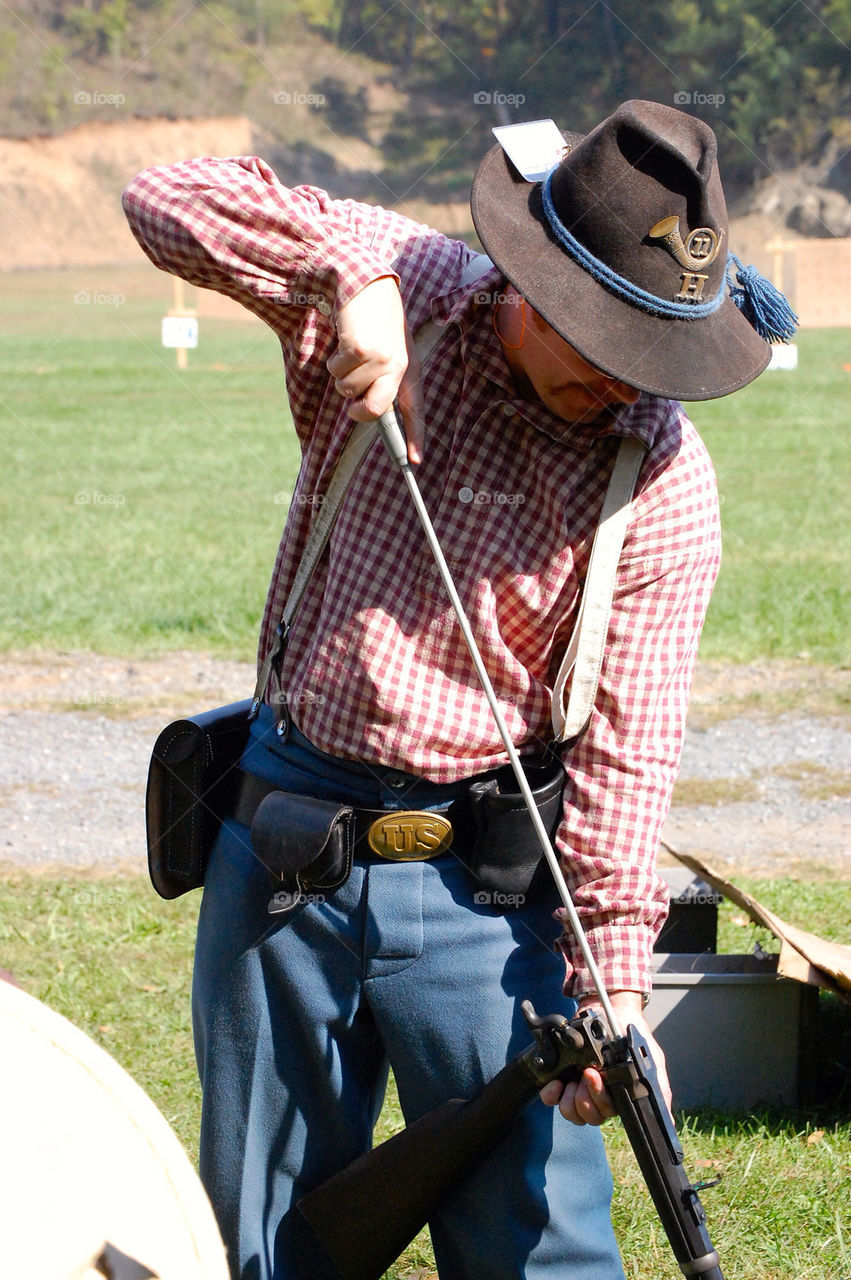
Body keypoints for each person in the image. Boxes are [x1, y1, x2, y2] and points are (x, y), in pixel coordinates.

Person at [122, 99, 792, 1280]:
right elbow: (164, 198)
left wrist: (616, 989)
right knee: (261, 1250)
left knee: (541, 1253)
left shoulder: (665, 479)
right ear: (529, 284)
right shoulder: (415, 284)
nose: (629, 382)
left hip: (488, 899)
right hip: (281, 852)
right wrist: (343, 275)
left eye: (653, 347)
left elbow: (627, 758)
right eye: (604, 338)